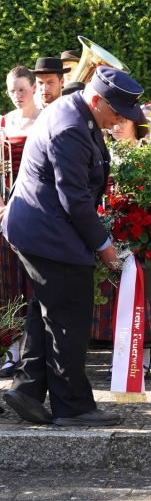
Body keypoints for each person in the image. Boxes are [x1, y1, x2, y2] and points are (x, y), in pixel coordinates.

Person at [1, 66, 144, 427]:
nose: (120, 120)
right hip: (47, 232)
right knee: (70, 315)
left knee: (49, 307)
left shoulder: (77, 114)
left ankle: (27, 389)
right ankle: (73, 407)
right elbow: (75, 199)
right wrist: (104, 246)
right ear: (96, 100)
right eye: (116, 112)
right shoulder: (70, 126)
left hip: (42, 227)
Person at [90, 113, 151, 375]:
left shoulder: (148, 152)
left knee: (143, 290)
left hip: (142, 231)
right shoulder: (103, 152)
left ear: (135, 125)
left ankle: (144, 355)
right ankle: (122, 354)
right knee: (116, 293)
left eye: (123, 122)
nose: (116, 127)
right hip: (113, 229)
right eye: (114, 122)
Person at [0, 66, 41, 378]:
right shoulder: (3, 123)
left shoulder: (46, 119)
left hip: (35, 211)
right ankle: (11, 349)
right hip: (5, 214)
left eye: (22, 89)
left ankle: (35, 351)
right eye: (12, 90)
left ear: (34, 88)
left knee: (34, 282)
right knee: (8, 282)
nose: (17, 95)